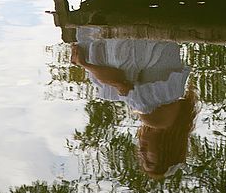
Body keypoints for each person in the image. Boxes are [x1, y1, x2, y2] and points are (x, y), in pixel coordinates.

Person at [70, 32, 199, 179]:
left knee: (109, 89)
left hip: (156, 39)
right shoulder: (156, 120)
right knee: (109, 85)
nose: (141, 153)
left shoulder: (173, 109)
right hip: (143, 39)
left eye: (141, 159)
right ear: (166, 151)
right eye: (149, 160)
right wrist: (84, 64)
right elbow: (119, 82)